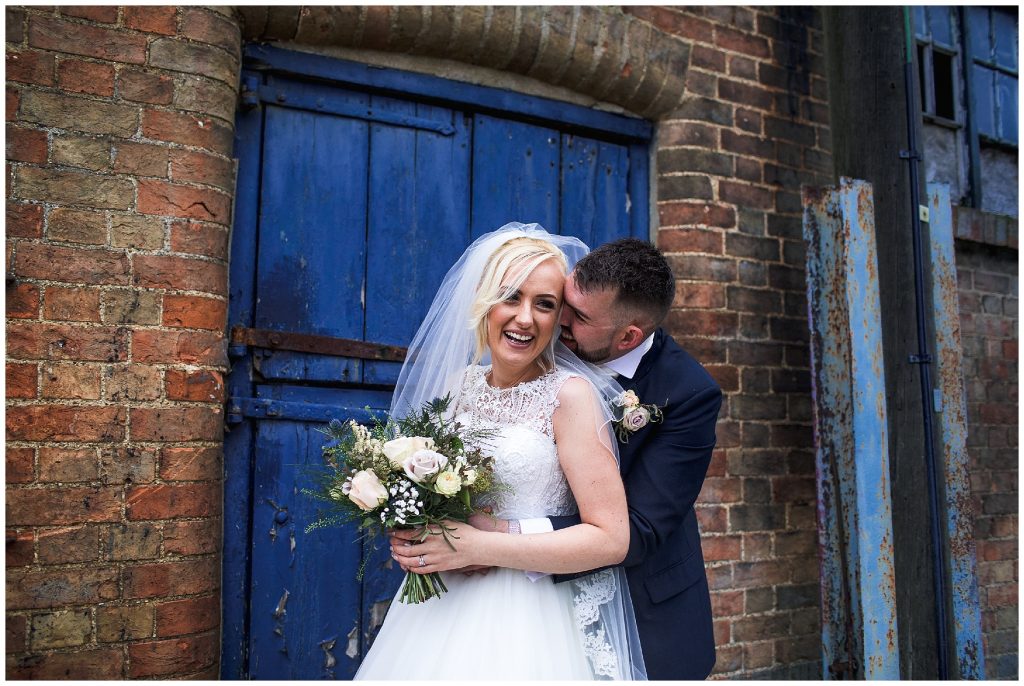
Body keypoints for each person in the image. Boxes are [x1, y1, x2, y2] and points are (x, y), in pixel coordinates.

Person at [393, 238, 722, 680]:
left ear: (628, 336)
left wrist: (490, 538)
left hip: (631, 599)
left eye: (574, 315)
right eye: (560, 303)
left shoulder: (686, 393)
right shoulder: (488, 368)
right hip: (462, 594)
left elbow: (635, 531)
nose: (555, 322)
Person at [354, 224, 646, 680]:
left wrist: (479, 544)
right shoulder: (456, 387)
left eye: (544, 304)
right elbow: (426, 502)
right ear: (484, 302)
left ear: (557, 320)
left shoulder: (570, 397)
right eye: (511, 296)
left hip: (532, 616)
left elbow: (611, 538)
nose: (525, 318)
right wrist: (416, 539)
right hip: (440, 610)